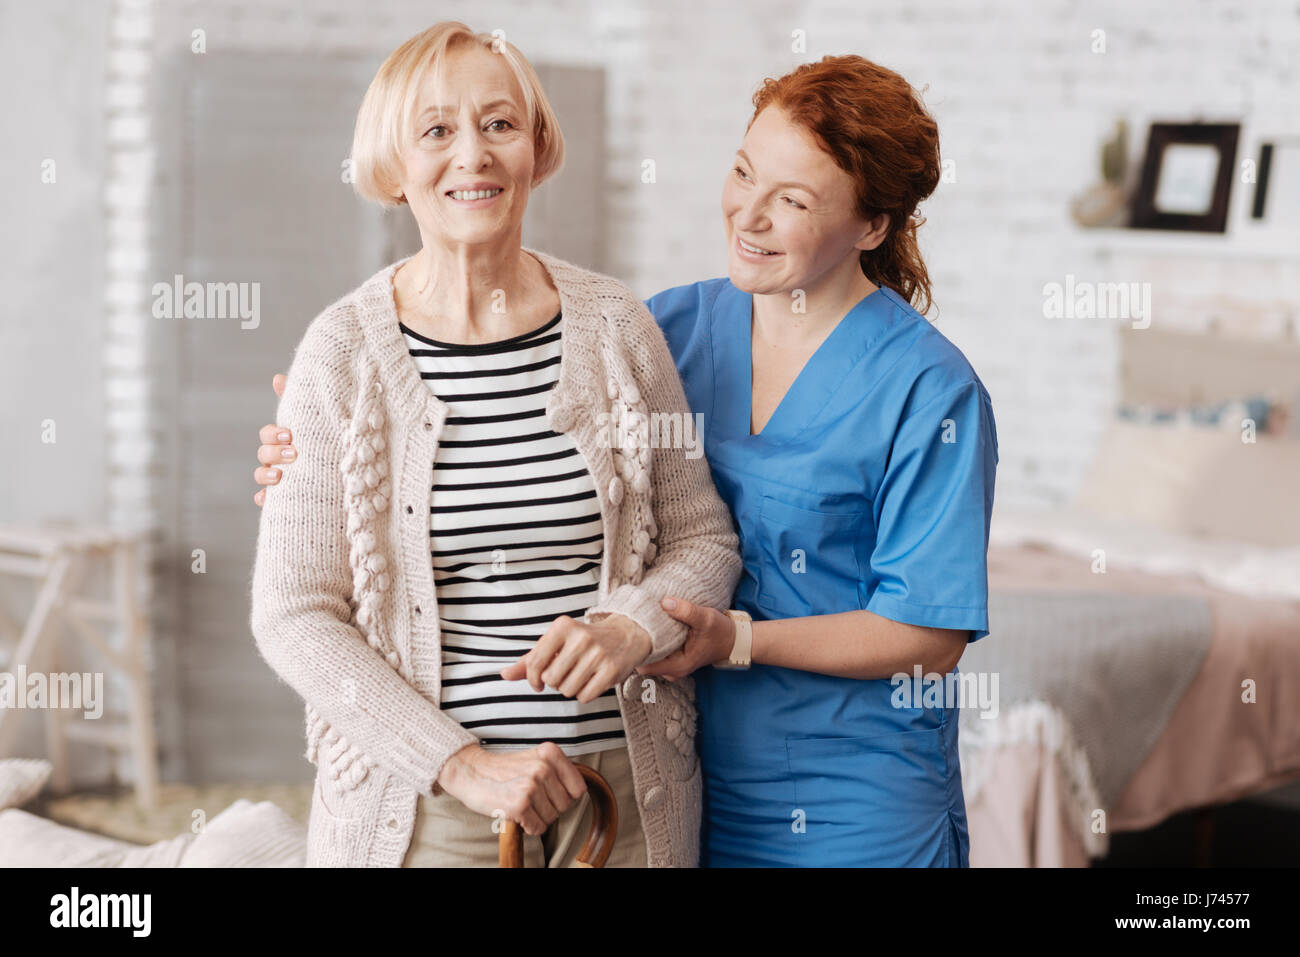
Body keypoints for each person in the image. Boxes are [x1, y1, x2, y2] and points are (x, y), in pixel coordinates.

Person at [257, 53, 998, 867]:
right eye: (743, 174)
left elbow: (928, 630)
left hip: (850, 793)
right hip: (699, 777)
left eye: (791, 201)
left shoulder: (930, 389)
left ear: (872, 226)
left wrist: (730, 639)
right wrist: (322, 454)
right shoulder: (674, 325)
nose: (747, 216)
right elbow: (494, 447)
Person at [249, 20, 741, 869]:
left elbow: (705, 537)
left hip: (624, 798)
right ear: (395, 166)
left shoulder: (619, 327)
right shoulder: (342, 352)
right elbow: (294, 612)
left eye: (499, 124)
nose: (472, 153)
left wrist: (635, 625)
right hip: (429, 810)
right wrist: (461, 763)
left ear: (535, 147)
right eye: (436, 130)